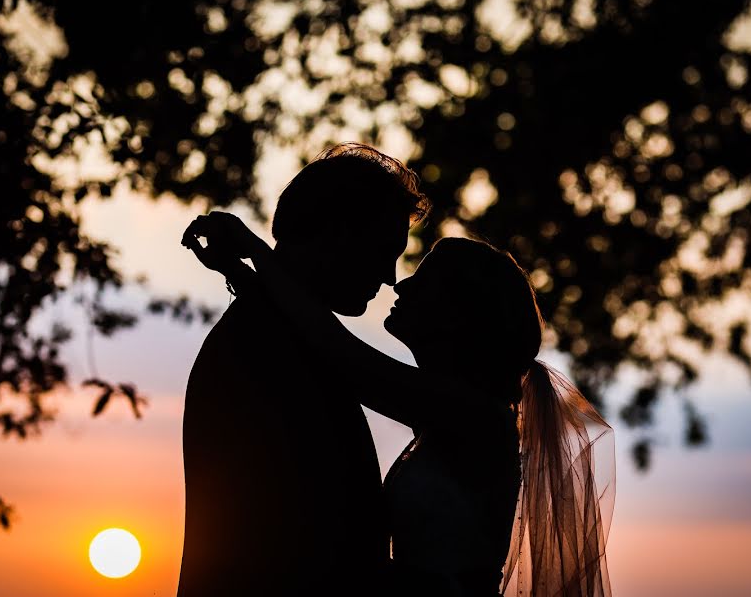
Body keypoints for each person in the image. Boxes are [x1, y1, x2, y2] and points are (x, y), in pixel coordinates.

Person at [185, 211, 615, 596]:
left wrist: (256, 249)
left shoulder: (476, 417)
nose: (400, 283)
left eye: (425, 279)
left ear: (459, 314)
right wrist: (241, 274)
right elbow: (322, 352)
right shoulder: (444, 414)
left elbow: (344, 357)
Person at [176, 143, 430, 596]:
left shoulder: (286, 332)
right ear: (339, 233)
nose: (391, 276)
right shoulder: (267, 343)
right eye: (383, 250)